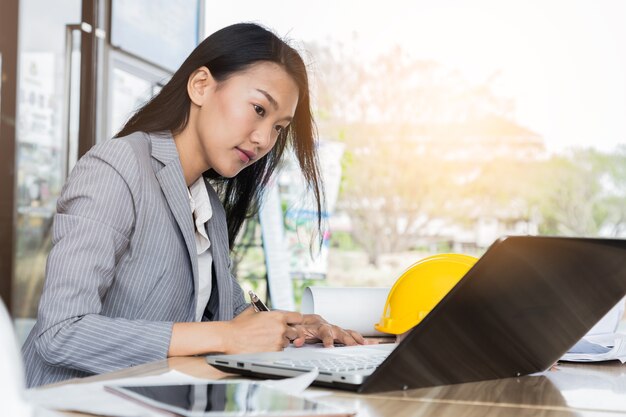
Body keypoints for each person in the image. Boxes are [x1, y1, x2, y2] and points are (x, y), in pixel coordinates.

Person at [22, 23, 366, 388]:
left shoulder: (207, 206)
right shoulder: (118, 167)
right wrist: (225, 337)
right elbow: (60, 332)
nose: (264, 139)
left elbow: (229, 311)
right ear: (201, 85)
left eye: (279, 127)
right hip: (64, 403)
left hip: (144, 402)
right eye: (258, 109)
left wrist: (295, 326)